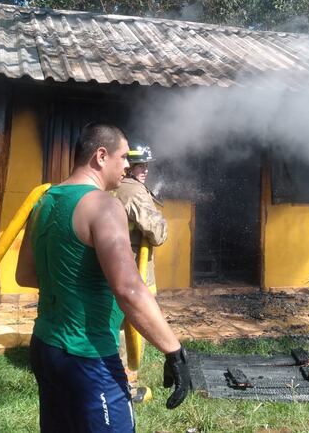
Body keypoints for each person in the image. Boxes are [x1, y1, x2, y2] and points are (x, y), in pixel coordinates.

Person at [15, 123, 190, 433]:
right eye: (123, 157)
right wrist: (173, 350)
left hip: (45, 347)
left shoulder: (45, 201)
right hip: (88, 354)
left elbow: (25, 274)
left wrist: (73, 282)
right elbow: (128, 289)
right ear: (100, 156)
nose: (127, 166)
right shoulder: (105, 206)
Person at [113, 143, 169, 402]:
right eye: (139, 165)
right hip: (134, 267)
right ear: (128, 165)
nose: (144, 169)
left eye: (146, 165)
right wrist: (162, 221)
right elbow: (156, 233)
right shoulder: (133, 191)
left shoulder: (112, 186)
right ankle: (127, 385)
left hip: (112, 266)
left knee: (114, 323)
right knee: (132, 325)